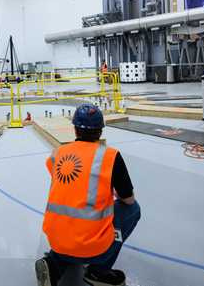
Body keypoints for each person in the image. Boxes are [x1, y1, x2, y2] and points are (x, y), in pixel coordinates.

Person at [35, 104, 141, 286]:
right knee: (132, 210)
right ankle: (98, 272)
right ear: (100, 132)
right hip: (92, 249)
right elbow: (128, 199)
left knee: (69, 224)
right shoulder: (110, 156)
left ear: (75, 129)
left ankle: (54, 264)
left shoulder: (58, 153)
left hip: (56, 241)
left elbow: (61, 176)